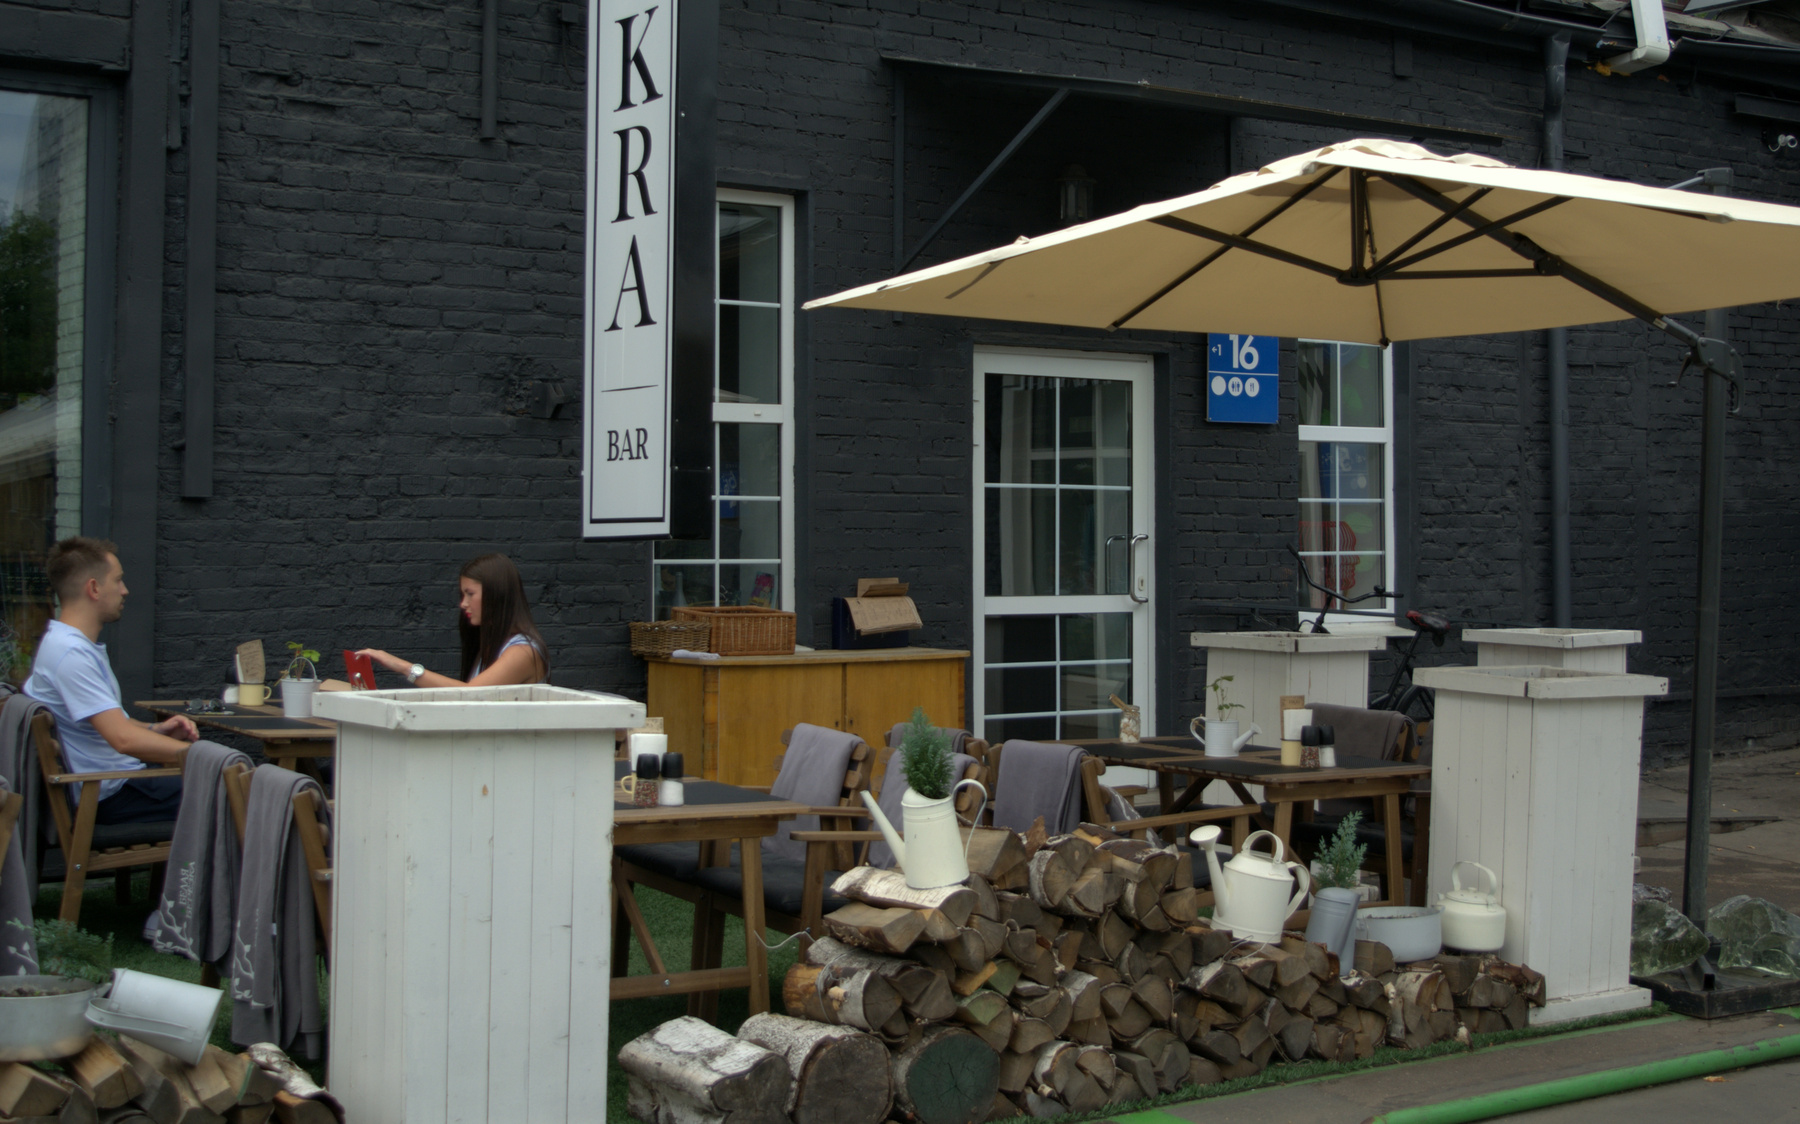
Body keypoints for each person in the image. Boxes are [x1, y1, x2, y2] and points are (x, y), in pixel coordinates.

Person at [24, 537, 198, 824]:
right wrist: (204, 757)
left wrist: (155, 729)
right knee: (235, 786)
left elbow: (113, 724)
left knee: (228, 781)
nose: (125, 590)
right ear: (94, 588)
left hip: (113, 784)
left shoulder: (68, 645)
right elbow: (122, 739)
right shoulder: (71, 654)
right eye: (118, 580)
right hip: (108, 793)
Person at [358, 552, 549, 687]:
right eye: (463, 595)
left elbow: (471, 695)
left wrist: (402, 667)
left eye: (470, 594)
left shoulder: (523, 652)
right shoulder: (495, 644)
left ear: (495, 594)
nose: (463, 604)